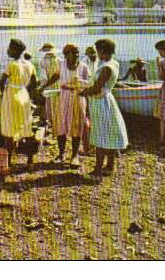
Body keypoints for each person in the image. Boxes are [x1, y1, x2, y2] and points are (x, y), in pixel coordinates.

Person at [80, 38, 129, 182]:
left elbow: (97, 88)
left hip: (101, 102)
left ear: (103, 51)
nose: (97, 54)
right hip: (107, 99)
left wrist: (83, 92)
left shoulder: (106, 67)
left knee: (101, 134)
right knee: (110, 131)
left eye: (98, 51)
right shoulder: (114, 63)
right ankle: (110, 166)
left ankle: (97, 170)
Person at [37, 44, 90, 165]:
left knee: (76, 127)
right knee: (61, 126)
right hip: (63, 97)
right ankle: (61, 154)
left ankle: (74, 156)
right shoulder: (60, 65)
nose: (76, 55)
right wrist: (43, 87)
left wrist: (87, 105)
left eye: (77, 52)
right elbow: (55, 77)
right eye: (73, 53)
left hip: (78, 97)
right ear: (66, 55)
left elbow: (89, 83)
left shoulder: (84, 67)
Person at [0, 38, 38, 169]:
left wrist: (5, 93)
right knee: (26, 129)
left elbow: (1, 82)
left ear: (15, 50)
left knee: (9, 130)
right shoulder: (30, 65)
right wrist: (26, 91)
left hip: (12, 94)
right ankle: (30, 162)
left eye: (9, 48)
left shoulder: (11, 65)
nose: (7, 50)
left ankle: (8, 162)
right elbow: (35, 83)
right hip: (23, 94)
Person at [38, 42, 60, 122]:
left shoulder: (43, 61)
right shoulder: (59, 60)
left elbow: (43, 76)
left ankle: (50, 119)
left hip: (48, 85)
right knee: (57, 103)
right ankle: (56, 120)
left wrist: (42, 86)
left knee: (49, 102)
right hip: (57, 84)